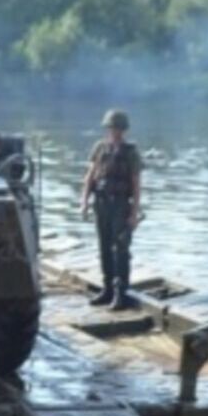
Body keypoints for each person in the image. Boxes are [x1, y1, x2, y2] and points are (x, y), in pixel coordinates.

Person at [80, 109, 142, 310]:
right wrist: (84, 202)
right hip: (102, 203)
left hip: (121, 205)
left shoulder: (131, 152)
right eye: (112, 128)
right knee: (104, 247)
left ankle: (120, 293)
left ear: (124, 130)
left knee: (120, 249)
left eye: (119, 128)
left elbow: (136, 183)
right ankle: (106, 289)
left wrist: (133, 214)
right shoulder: (100, 148)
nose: (115, 132)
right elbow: (90, 176)